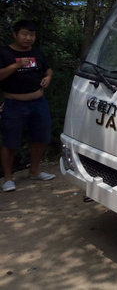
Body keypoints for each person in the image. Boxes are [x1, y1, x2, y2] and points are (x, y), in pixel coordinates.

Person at [0, 19, 55, 192]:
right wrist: (16, 65)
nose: (28, 38)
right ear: (15, 34)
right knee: (10, 141)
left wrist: (48, 77)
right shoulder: (4, 53)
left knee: (41, 137)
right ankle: (8, 178)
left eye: (32, 35)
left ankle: (35, 171)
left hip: (38, 102)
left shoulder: (37, 52)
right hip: (14, 103)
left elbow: (48, 69)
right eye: (24, 34)